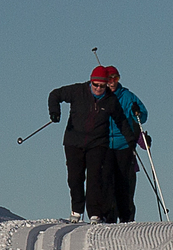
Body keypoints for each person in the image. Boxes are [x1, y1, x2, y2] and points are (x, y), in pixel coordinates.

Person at [48, 66, 137, 223]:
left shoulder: (110, 100)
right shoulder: (77, 91)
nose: (98, 88)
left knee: (95, 179)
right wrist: (55, 112)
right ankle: (76, 210)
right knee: (75, 178)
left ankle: (94, 213)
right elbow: (55, 95)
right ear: (91, 82)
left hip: (97, 143)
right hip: (74, 141)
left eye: (102, 86)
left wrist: (130, 140)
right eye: (95, 85)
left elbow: (121, 121)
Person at [104, 65, 148, 223]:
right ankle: (108, 218)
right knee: (108, 183)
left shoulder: (127, 96)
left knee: (125, 183)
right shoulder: (101, 96)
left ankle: (127, 219)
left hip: (124, 145)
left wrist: (137, 111)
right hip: (106, 145)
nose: (113, 82)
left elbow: (142, 116)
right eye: (109, 78)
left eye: (116, 78)